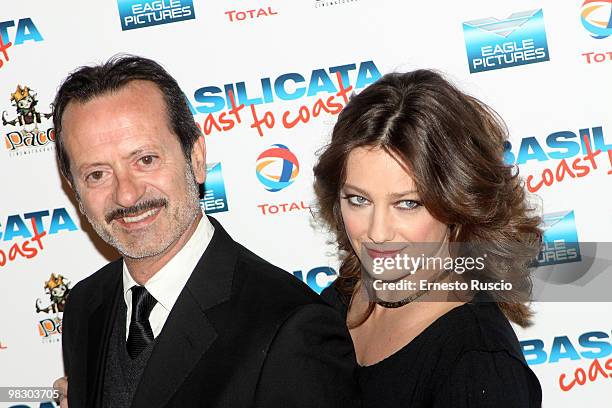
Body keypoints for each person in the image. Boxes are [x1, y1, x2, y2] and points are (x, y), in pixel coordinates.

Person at [51, 55, 360, 408]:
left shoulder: (290, 328)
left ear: (196, 158)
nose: (126, 193)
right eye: (97, 174)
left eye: (146, 160)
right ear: (75, 191)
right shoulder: (85, 306)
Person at [314, 70, 543, 407]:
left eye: (407, 204)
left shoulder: (478, 368)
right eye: (359, 200)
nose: (377, 232)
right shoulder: (345, 294)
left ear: (457, 203)